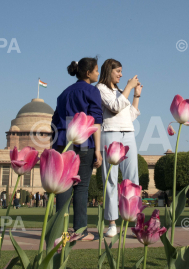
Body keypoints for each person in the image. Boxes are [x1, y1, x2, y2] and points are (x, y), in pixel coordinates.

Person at [51, 57, 103, 241]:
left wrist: (56, 148)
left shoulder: (63, 93)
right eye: (96, 70)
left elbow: (55, 122)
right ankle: (80, 230)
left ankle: (58, 230)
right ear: (88, 73)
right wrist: (98, 149)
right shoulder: (92, 91)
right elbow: (96, 121)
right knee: (81, 188)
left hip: (63, 143)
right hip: (84, 143)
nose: (98, 74)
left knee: (64, 186)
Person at [96, 59, 142, 238]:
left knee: (133, 180)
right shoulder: (101, 89)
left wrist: (136, 95)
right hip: (111, 132)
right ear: (109, 71)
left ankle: (136, 220)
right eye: (118, 71)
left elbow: (131, 115)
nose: (122, 75)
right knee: (111, 179)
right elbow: (114, 108)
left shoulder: (120, 91)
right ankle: (112, 222)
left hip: (128, 133)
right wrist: (129, 88)